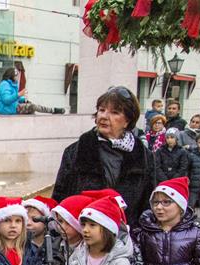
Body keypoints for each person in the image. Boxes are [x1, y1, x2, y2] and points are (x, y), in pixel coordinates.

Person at [53, 86, 155, 226]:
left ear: (127, 121)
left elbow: (149, 205)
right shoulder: (75, 151)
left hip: (126, 234)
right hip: (82, 232)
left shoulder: (144, 157)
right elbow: (59, 197)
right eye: (101, 110)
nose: (104, 116)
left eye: (114, 112)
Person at [0, 67, 64, 116]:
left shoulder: (12, 84)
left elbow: (14, 98)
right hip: (6, 110)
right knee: (32, 107)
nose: (18, 77)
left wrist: (23, 99)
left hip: (13, 108)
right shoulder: (5, 84)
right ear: (12, 76)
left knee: (31, 108)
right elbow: (6, 100)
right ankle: (53, 110)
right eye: (17, 75)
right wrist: (19, 94)